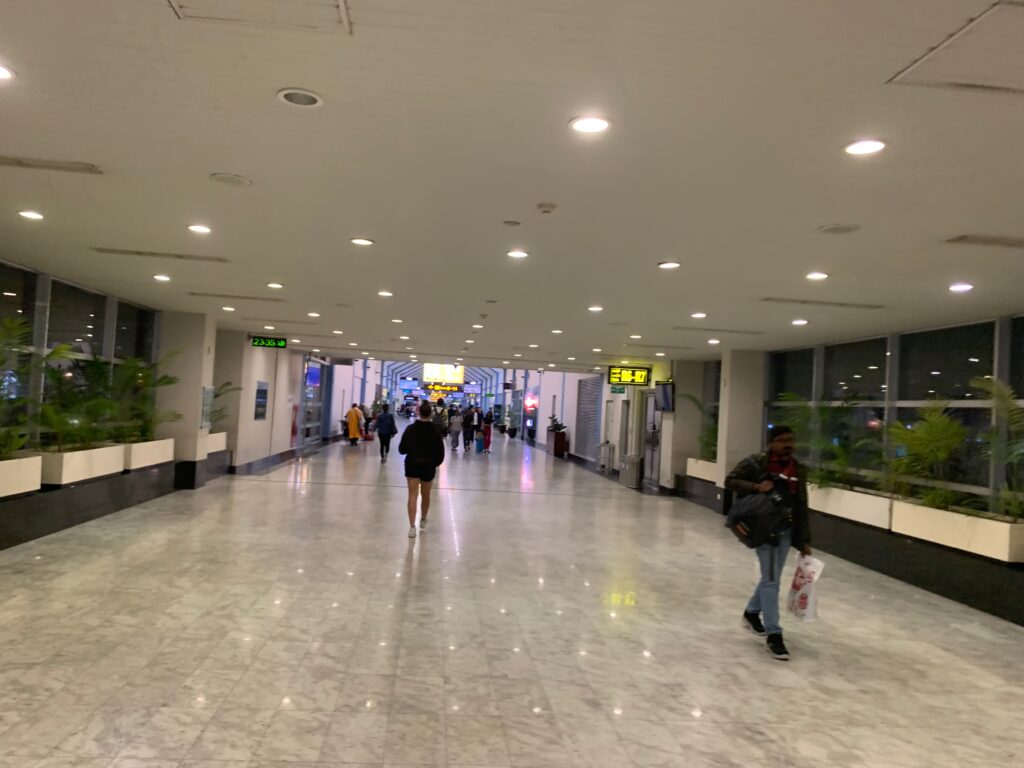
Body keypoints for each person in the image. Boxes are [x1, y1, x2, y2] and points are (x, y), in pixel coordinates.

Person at [725, 425, 812, 661]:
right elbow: (731, 479)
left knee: (769, 578)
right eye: (782, 440)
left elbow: (801, 505)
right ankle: (774, 634)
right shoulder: (757, 463)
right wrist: (756, 487)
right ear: (771, 443)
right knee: (771, 580)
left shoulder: (798, 469)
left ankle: (752, 613)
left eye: (791, 440)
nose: (788, 444)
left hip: (787, 530)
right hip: (764, 530)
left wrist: (804, 540)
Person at [398, 401, 445, 538]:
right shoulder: (435, 431)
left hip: (412, 465)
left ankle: (412, 527)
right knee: (426, 494)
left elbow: (402, 449)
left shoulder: (410, 429)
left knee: (412, 495)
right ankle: (423, 519)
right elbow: (440, 454)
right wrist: (435, 463)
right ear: (430, 414)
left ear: (418, 413)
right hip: (428, 466)